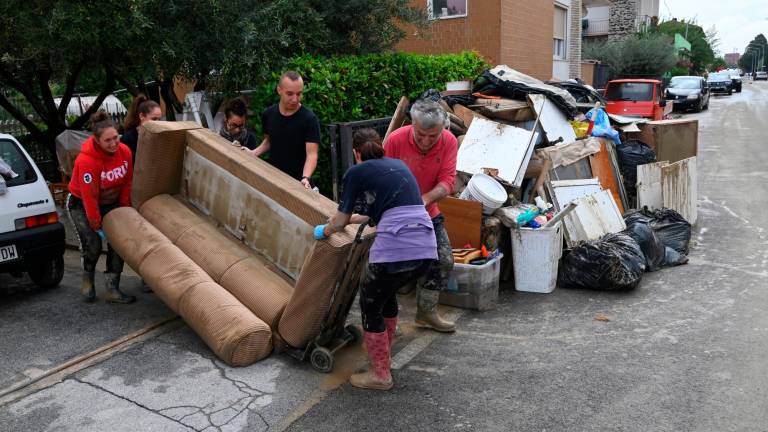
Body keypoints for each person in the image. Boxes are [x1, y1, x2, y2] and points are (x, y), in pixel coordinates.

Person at [314, 128, 437, 390]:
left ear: (356, 153)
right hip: (425, 246)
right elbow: (373, 213)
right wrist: (340, 221)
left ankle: (380, 375)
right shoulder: (398, 166)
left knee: (370, 303)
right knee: (385, 295)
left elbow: (342, 219)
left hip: (396, 248)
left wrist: (324, 230)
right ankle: (384, 360)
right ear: (380, 147)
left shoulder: (357, 172)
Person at [383, 99, 457, 333]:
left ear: (443, 129)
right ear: (412, 124)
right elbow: (382, 178)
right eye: (420, 134)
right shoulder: (395, 140)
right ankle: (385, 319)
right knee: (387, 267)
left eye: (432, 136)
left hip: (428, 211)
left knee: (443, 260)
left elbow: (447, 182)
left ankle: (426, 313)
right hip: (394, 214)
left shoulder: (449, 142)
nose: (425, 141)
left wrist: (423, 201)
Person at [67, 111, 135, 304]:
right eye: (108, 141)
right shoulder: (87, 161)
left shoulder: (125, 152)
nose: (114, 143)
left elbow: (127, 182)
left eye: (116, 137)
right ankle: (87, 280)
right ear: (97, 141)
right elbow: (90, 197)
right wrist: (97, 226)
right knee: (93, 244)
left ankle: (112, 288)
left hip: (111, 203)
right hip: (82, 205)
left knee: (118, 242)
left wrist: (124, 208)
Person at [248, 71, 321, 189]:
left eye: (299, 94)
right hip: (275, 180)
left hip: (299, 185)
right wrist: (253, 153)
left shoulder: (309, 119)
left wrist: (305, 178)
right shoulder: (268, 114)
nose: (295, 99)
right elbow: (269, 141)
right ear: (279, 90)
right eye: (290, 94)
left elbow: (312, 155)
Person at [121, 94, 162, 162]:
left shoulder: (159, 135)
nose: (158, 123)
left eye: (159, 119)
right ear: (142, 116)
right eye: (154, 119)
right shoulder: (127, 139)